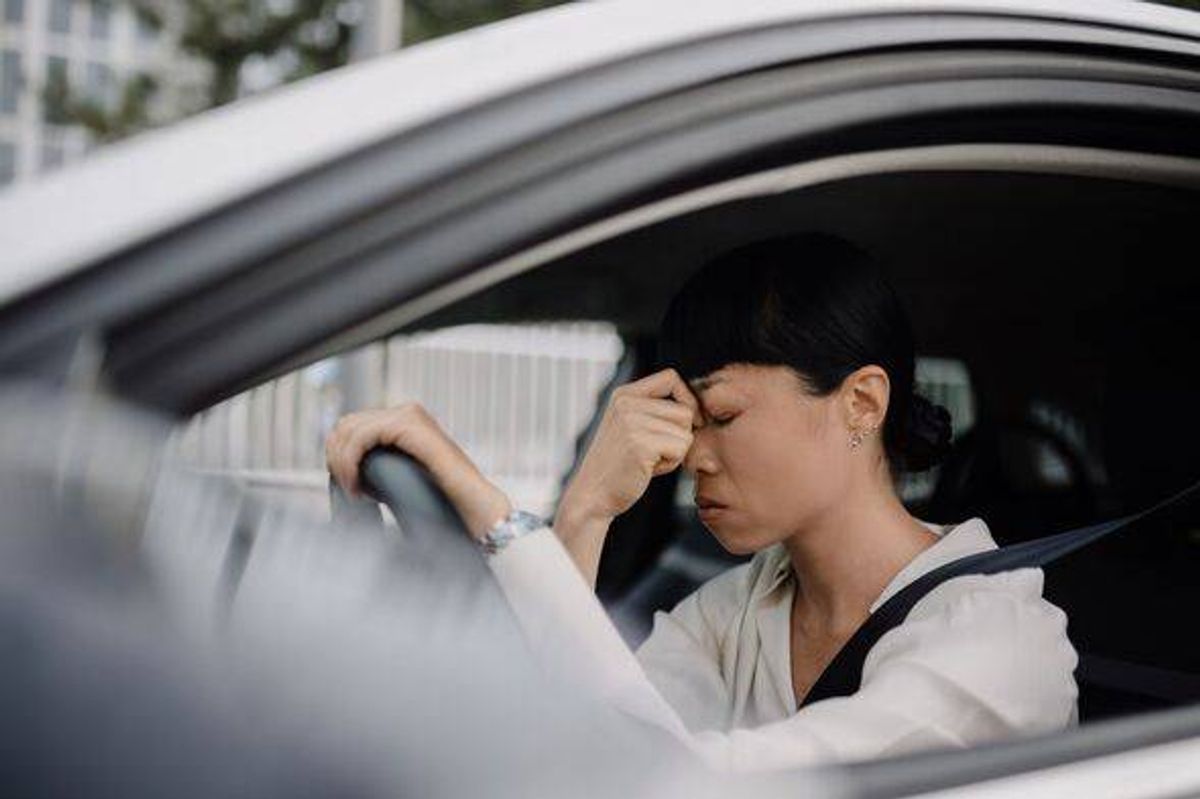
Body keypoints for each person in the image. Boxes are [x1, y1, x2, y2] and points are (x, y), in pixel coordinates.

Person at [325, 232, 1078, 772]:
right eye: (686, 423)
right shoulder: (733, 612)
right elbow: (571, 749)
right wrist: (584, 517)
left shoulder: (997, 643)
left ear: (861, 403)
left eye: (720, 417)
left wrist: (502, 514)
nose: (691, 456)